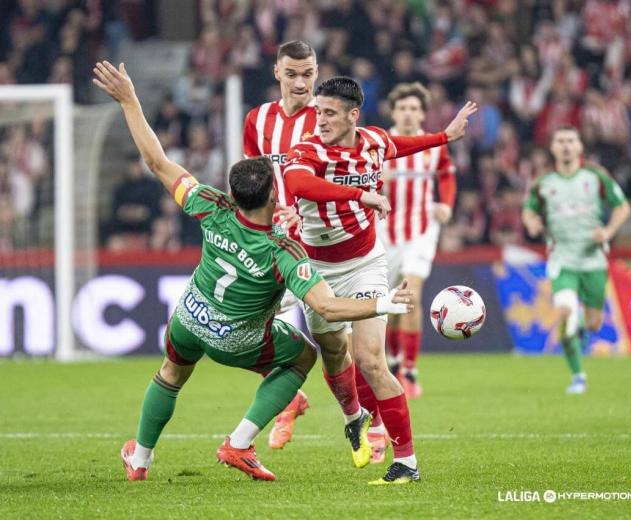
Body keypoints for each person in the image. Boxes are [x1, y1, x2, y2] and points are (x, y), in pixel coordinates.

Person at [92, 61, 413, 482]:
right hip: (236, 338)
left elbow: (156, 160)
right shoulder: (284, 249)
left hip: (189, 317)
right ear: (273, 193)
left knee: (171, 373)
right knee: (305, 354)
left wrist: (129, 100)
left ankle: (141, 459)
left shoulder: (211, 206)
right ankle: (239, 443)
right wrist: (382, 301)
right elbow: (328, 307)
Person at [282, 76, 477, 484]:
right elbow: (297, 183)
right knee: (335, 353)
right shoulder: (307, 149)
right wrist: (359, 195)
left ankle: (406, 461)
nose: (320, 120)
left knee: (371, 358)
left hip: (365, 261)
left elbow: (402, 145)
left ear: (353, 115)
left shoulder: (372, 141)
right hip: (316, 267)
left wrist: (445, 136)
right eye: (318, 111)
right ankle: (354, 415)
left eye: (330, 113)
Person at [242, 40, 318, 449]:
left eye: (308, 74)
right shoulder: (257, 119)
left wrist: (305, 212)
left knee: (337, 342)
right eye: (292, 74)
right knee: (245, 327)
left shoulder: (327, 119)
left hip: (321, 242)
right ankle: (290, 399)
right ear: (277, 73)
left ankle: (369, 422)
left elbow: (341, 177)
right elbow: (252, 179)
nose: (300, 82)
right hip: (273, 242)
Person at [522, 126, 630, 394]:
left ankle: (578, 323)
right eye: (561, 141)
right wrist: (533, 223)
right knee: (565, 313)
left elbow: (622, 206)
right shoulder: (543, 182)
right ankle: (578, 376)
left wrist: (608, 231)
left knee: (592, 323)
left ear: (580, 146)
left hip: (593, 260)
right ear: (553, 148)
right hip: (562, 259)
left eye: (571, 140)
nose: (566, 146)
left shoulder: (595, 176)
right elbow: (528, 212)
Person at [379, 82, 457, 404]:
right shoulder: (379, 144)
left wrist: (447, 204)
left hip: (421, 228)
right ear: (394, 112)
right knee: (390, 305)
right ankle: (395, 362)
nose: (408, 113)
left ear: (422, 113)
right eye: (403, 108)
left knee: (410, 294)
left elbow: (447, 176)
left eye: (414, 108)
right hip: (385, 232)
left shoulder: (434, 145)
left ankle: (409, 370)